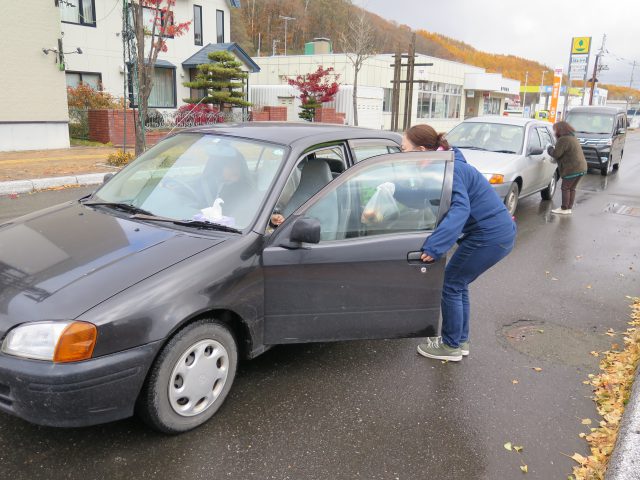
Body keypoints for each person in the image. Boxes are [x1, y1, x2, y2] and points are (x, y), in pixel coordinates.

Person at [400, 124, 517, 362]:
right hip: (493, 234)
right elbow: (431, 198)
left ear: (421, 150)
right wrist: (395, 193)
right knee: (458, 284)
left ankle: (451, 346)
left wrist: (435, 247)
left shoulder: (451, 170)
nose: (402, 154)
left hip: (488, 236)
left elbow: (459, 209)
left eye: (404, 149)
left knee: (451, 284)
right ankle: (459, 341)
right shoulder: (444, 164)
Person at [547, 121, 588, 215]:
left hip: (572, 168)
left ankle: (564, 208)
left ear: (560, 130)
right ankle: (568, 208)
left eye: (555, 129)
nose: (554, 132)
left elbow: (556, 154)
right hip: (581, 167)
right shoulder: (572, 138)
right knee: (572, 188)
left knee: (565, 188)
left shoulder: (563, 139)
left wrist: (549, 148)